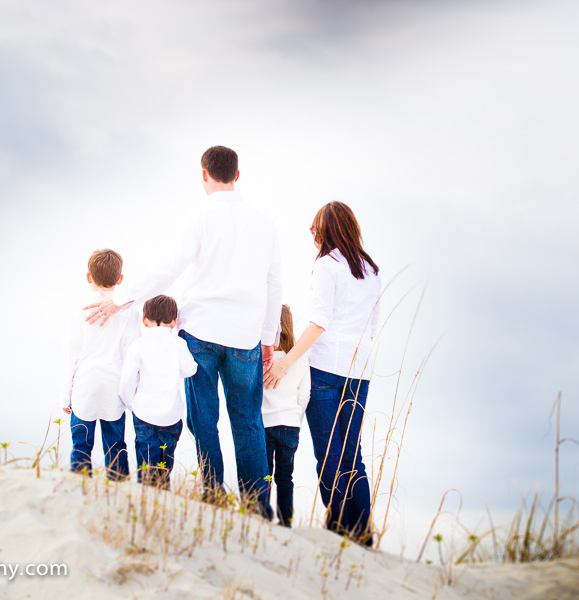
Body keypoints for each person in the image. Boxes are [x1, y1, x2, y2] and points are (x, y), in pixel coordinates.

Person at [86, 146, 282, 517]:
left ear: (204, 175)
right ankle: (257, 506)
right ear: (237, 175)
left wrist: (121, 299)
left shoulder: (200, 216)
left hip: (201, 333)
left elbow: (168, 267)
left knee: (204, 419)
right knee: (248, 421)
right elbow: (275, 283)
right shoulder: (264, 222)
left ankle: (212, 495)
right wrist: (268, 338)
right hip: (245, 336)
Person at [264, 201, 381, 546]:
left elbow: (319, 322)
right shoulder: (370, 269)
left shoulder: (326, 266)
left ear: (325, 230)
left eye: (314, 227)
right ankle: (362, 533)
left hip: (327, 368)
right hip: (360, 371)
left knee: (328, 453)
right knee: (352, 455)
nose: (312, 234)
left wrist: (286, 362)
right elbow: (371, 326)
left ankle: (341, 531)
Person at [60, 249, 140, 480]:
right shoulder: (129, 312)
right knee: (116, 446)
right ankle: (119, 491)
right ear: (120, 279)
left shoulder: (79, 310)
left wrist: (65, 395)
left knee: (81, 446)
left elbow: (70, 356)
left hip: (85, 385)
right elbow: (132, 354)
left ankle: (80, 488)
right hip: (114, 386)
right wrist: (131, 395)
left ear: (89, 277)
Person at [119, 295, 198, 488]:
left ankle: (146, 505)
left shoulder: (138, 345)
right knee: (164, 467)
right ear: (174, 322)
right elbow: (190, 369)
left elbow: (126, 382)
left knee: (146, 468)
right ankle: (162, 498)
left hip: (144, 415)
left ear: (145, 321)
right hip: (171, 418)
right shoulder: (178, 344)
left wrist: (132, 404)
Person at [261, 304, 311, 527]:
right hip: (290, 425)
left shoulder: (260, 359)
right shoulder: (299, 358)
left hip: (265, 423)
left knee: (266, 474)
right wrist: (296, 418)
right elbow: (305, 394)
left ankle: (262, 515)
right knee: (285, 477)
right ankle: (285, 520)